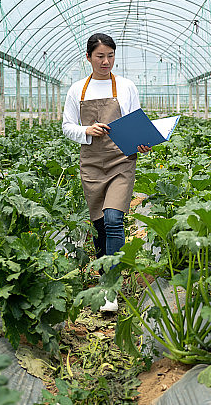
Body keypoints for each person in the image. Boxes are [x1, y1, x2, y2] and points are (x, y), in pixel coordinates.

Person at [62, 33, 151, 312]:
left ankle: (111, 288)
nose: (106, 61)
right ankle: (104, 273)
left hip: (121, 159)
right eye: (100, 56)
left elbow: (136, 120)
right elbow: (67, 126)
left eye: (110, 56)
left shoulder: (125, 86)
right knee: (100, 225)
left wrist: (142, 140)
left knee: (114, 218)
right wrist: (86, 130)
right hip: (91, 162)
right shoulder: (78, 90)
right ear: (88, 57)